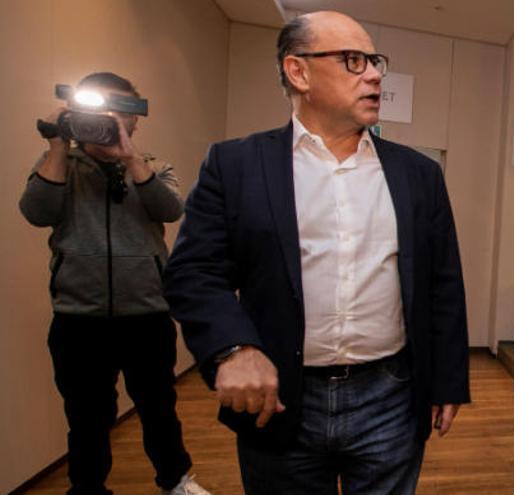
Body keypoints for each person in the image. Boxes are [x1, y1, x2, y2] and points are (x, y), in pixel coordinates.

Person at [162, 11, 470, 495]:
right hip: (281, 400)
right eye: (353, 60)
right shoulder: (236, 165)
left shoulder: (418, 174)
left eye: (374, 61)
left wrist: (448, 381)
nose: (373, 74)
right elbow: (194, 272)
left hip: (390, 395)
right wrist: (233, 348)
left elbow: (443, 284)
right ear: (298, 72)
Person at [19, 72, 209, 495]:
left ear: (137, 119)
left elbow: (170, 208)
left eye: (124, 110)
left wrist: (129, 158)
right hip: (78, 318)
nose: (113, 118)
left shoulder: (154, 166)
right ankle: (87, 488)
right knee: (87, 415)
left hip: (147, 314)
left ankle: (175, 481)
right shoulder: (60, 165)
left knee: (159, 407)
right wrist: (56, 144)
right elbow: (37, 211)